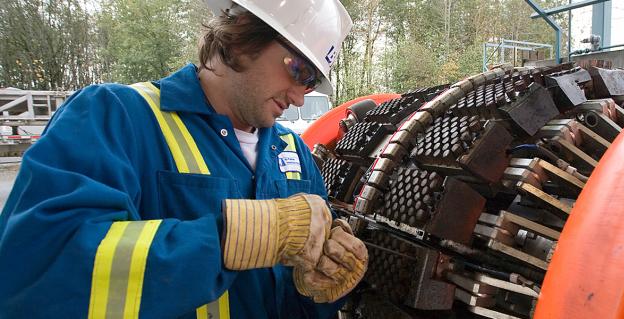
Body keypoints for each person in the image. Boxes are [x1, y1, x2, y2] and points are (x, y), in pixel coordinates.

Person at [0, 0, 367, 318]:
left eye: (311, 81)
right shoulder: (115, 118)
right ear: (241, 34)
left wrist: (321, 288)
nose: (301, 98)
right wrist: (236, 238)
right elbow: (34, 275)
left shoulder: (295, 153)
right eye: (298, 70)